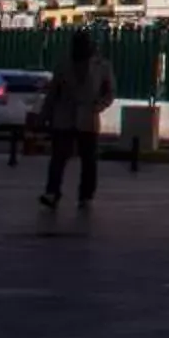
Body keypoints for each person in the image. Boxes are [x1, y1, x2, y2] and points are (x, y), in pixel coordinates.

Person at [37, 30, 117, 211]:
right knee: (58, 158)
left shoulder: (102, 66)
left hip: (88, 118)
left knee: (89, 160)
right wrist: (45, 115)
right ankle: (52, 192)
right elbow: (53, 94)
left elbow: (110, 91)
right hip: (64, 117)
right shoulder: (63, 64)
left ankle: (86, 195)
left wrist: (99, 105)